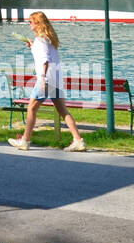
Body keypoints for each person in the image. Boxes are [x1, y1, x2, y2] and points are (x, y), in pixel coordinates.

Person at [7, 12, 86, 152]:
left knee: (31, 109)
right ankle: (78, 140)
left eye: (31, 21)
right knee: (63, 110)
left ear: (38, 23)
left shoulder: (41, 40)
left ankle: (24, 140)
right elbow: (45, 54)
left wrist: (42, 78)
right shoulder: (48, 38)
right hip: (55, 78)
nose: (29, 24)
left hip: (46, 79)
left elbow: (45, 60)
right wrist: (32, 46)